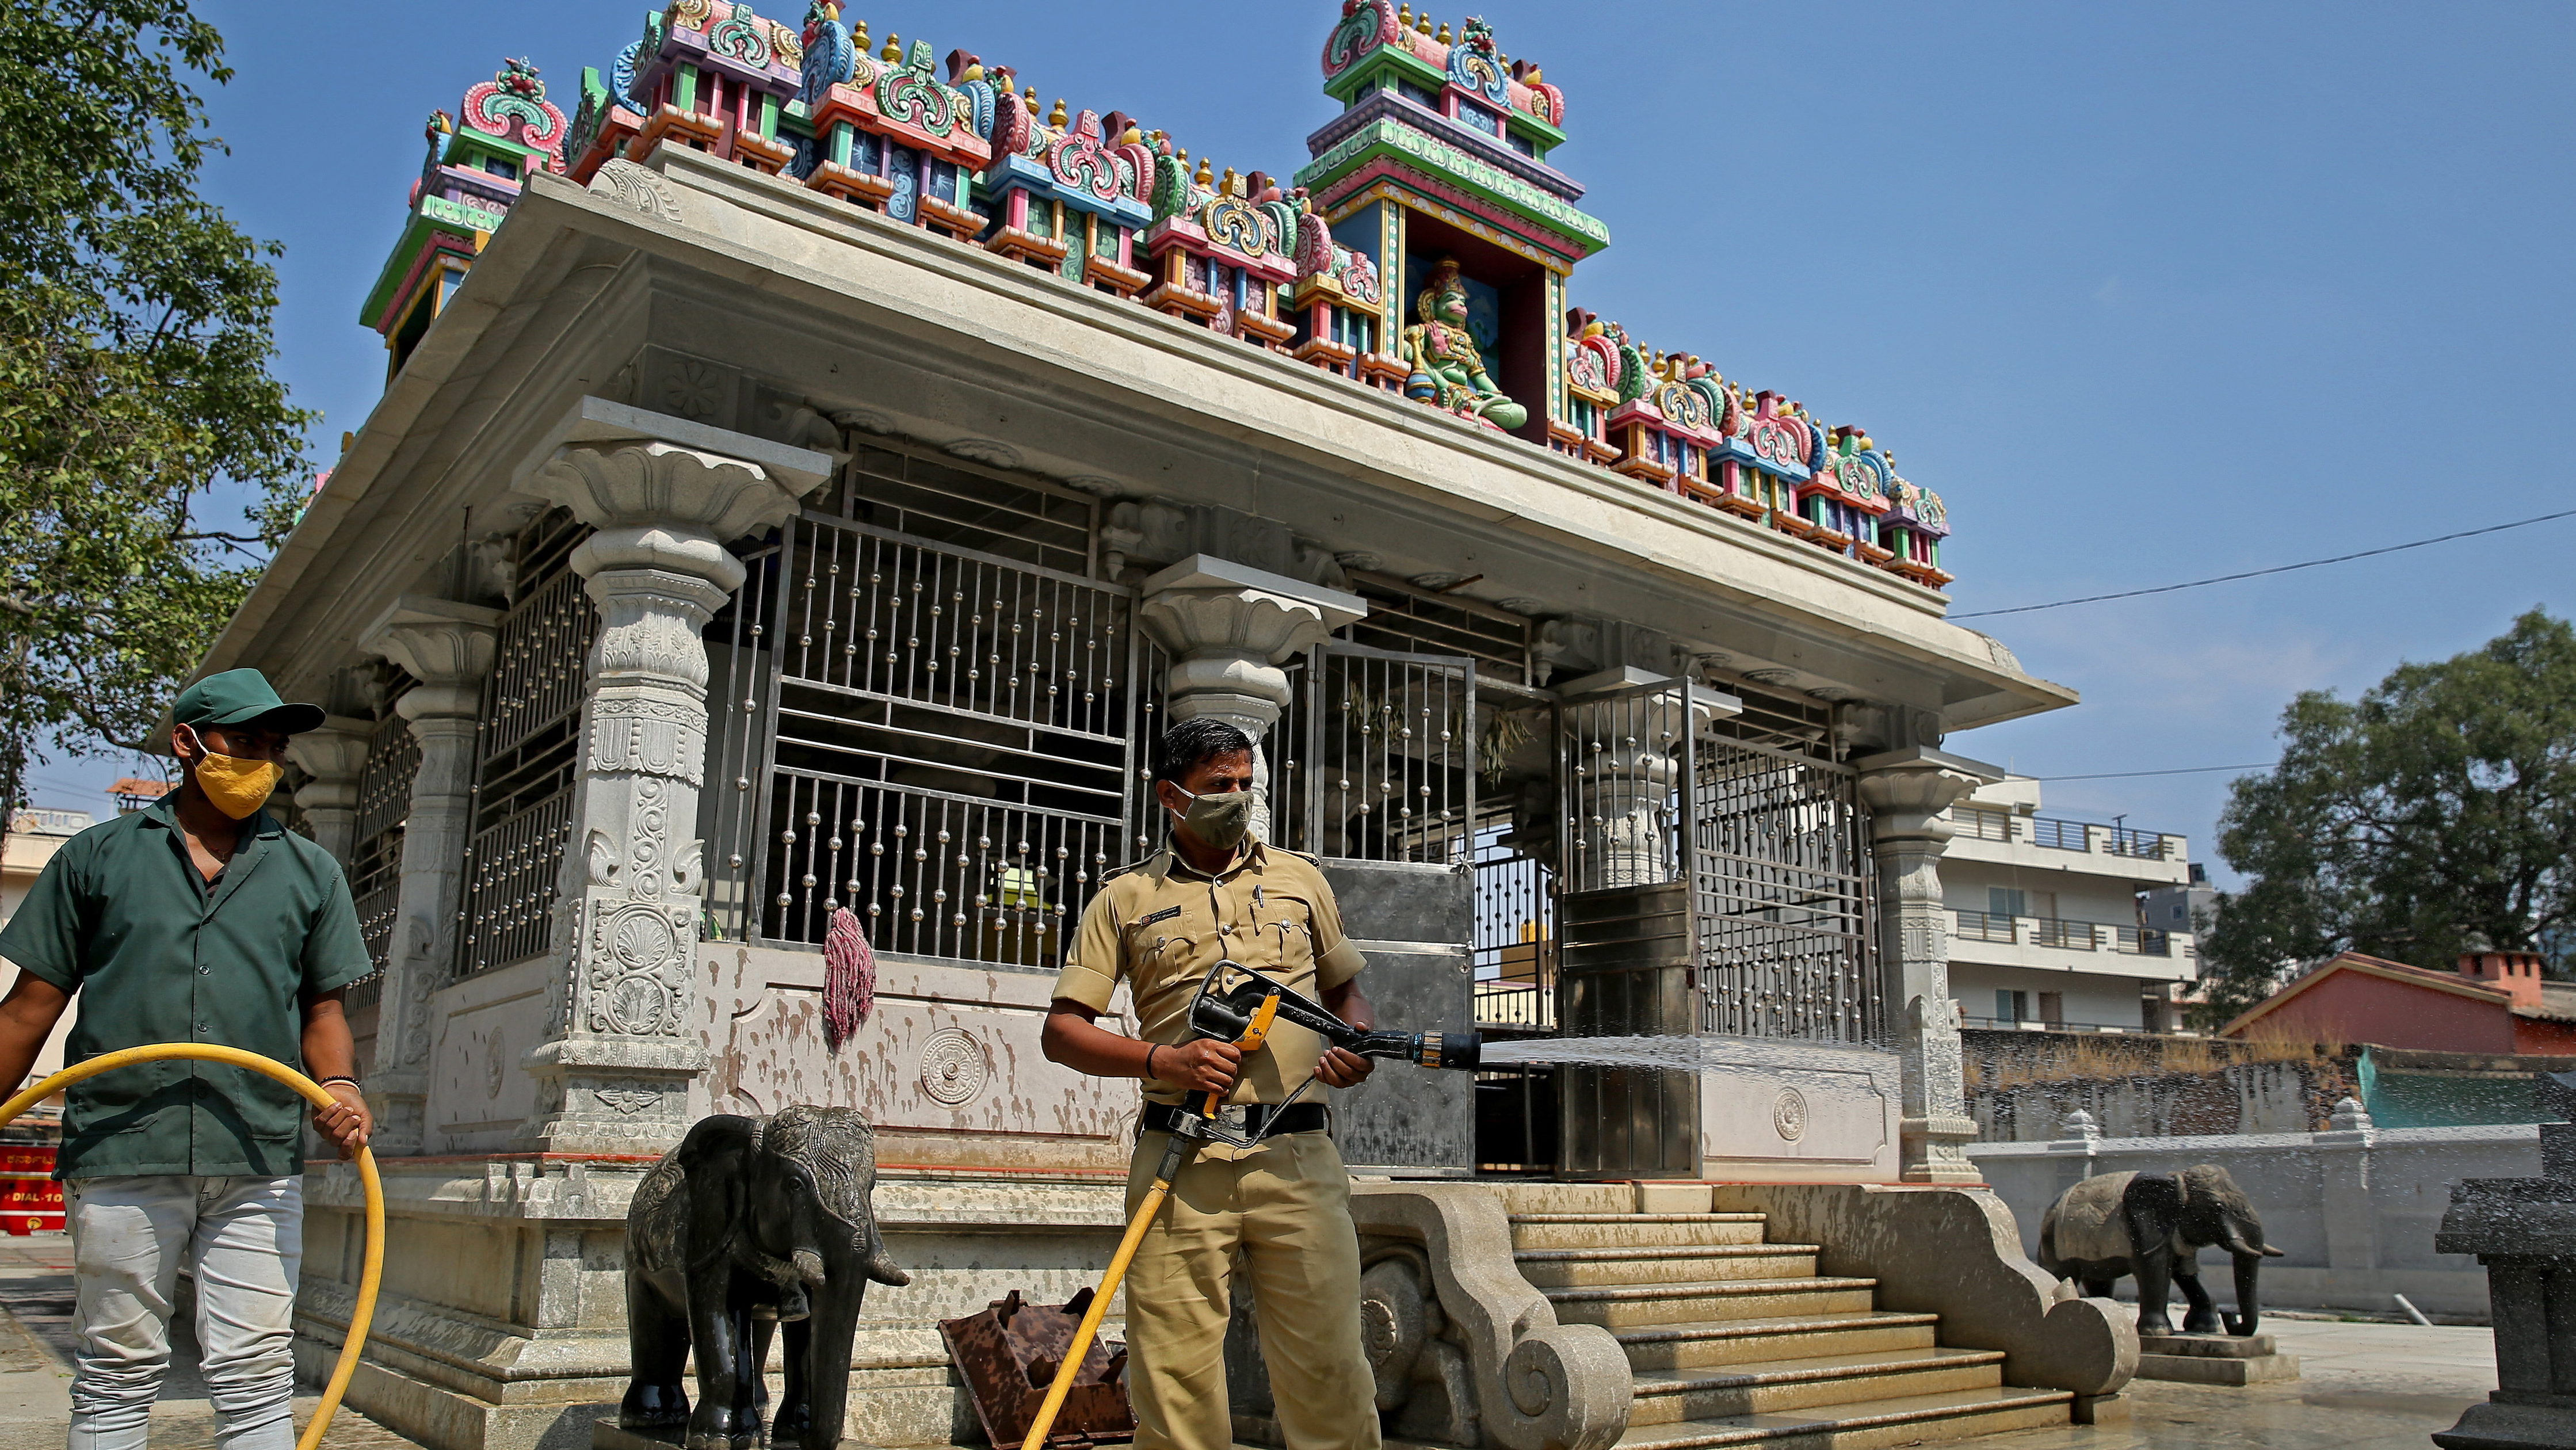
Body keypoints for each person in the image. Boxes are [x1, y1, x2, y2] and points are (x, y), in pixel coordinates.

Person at [0, 668, 375, 1450]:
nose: (264, 762)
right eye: (246, 742)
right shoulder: (96, 859)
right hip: (124, 1146)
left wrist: (337, 1086)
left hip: (258, 1153)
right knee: (116, 1369)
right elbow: (28, 1008)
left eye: (275, 747)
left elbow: (324, 1011)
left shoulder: (311, 873)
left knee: (254, 1371)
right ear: (187, 743)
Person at [1043, 717, 1382, 1450]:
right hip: (1181, 1161)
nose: (1236, 799)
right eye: (1217, 787)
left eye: (1245, 784)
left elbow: (1348, 992)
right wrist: (1164, 1062)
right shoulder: (1124, 899)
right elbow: (1062, 1031)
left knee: (1329, 1368)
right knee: (1175, 1382)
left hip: (1297, 1160)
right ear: (1171, 796)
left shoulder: (1301, 880)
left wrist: (1352, 1040)